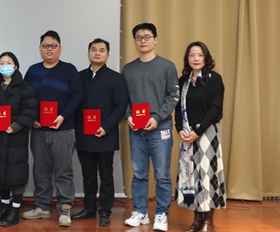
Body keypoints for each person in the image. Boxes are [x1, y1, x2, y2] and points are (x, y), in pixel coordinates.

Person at [122, 23, 179, 231]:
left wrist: (157, 117)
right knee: (139, 173)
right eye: (138, 37)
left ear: (155, 39)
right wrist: (128, 115)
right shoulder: (128, 69)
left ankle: (161, 214)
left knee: (162, 174)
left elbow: (173, 96)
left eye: (147, 37)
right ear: (135, 41)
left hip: (160, 127)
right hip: (136, 129)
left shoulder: (167, 66)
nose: (142, 41)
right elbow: (122, 98)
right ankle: (141, 212)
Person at [23, 30, 83, 227]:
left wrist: (63, 116)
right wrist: (32, 118)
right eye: (45, 46)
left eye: (53, 46)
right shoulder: (32, 71)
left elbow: (78, 95)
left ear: (60, 48)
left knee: (63, 171)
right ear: (40, 48)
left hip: (63, 129)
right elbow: (25, 98)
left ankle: (65, 207)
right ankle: (41, 206)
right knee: (40, 170)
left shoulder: (69, 70)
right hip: (38, 130)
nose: (49, 49)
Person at [72, 38, 128, 227]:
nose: (97, 53)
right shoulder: (79, 77)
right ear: (88, 53)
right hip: (84, 135)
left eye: (101, 50)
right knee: (88, 176)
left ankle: (105, 211)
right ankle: (89, 208)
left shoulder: (116, 78)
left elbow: (120, 107)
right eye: (94, 49)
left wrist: (106, 127)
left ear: (108, 55)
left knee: (106, 176)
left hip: (105, 135)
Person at [175, 42, 226, 232]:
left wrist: (198, 131)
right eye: (192, 55)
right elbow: (177, 109)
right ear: (187, 58)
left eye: (200, 55)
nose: (196, 58)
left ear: (206, 58)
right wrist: (179, 129)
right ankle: (197, 220)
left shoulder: (214, 79)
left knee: (208, 176)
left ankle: (208, 222)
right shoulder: (183, 81)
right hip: (187, 134)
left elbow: (216, 108)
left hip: (207, 133)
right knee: (191, 176)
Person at [0, 52, 38, 228]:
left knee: (16, 174)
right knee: (0, 172)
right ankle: (4, 207)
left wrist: (17, 125)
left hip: (16, 136)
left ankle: (15, 210)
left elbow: (31, 110)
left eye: (9, 63)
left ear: (15, 66)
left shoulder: (25, 87)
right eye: (2, 63)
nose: (5, 66)